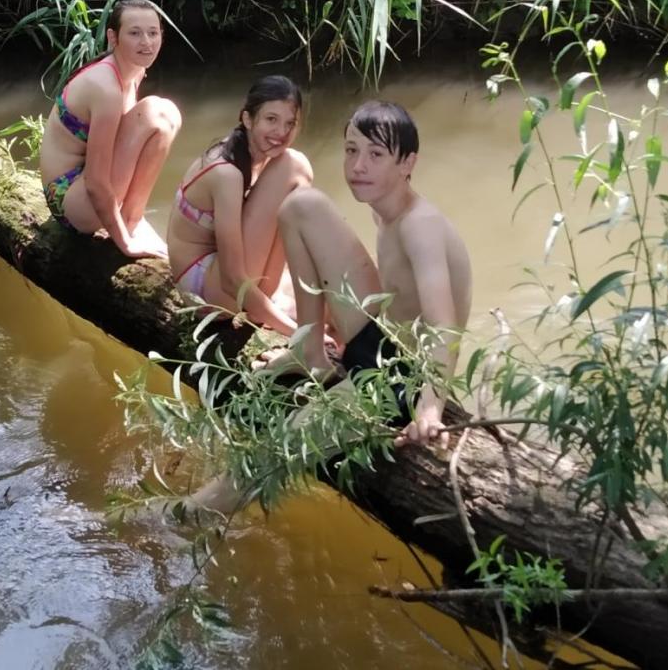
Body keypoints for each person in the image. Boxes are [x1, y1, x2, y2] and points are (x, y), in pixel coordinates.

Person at [190, 100, 472, 514]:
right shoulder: (386, 212)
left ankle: (187, 515)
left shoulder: (420, 225)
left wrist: (430, 409)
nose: (358, 166)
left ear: (408, 163)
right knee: (301, 206)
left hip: (399, 383)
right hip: (380, 340)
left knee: (266, 459)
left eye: (376, 155)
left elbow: (443, 326)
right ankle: (311, 352)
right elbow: (395, 292)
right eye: (351, 150)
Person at [167, 76, 313, 336]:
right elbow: (232, 280)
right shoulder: (227, 173)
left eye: (290, 123)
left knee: (293, 172)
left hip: (218, 279)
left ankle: (267, 302)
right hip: (205, 293)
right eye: (271, 119)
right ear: (247, 119)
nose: (282, 132)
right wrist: (294, 332)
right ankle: (266, 309)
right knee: (295, 165)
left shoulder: (255, 155)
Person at [39, 0, 181, 259]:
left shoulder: (134, 70)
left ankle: (132, 219)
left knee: (167, 114)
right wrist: (125, 244)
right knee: (158, 113)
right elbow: (95, 180)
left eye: (153, 33)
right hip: (68, 200)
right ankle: (127, 229)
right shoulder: (106, 88)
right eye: (135, 33)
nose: (147, 42)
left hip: (83, 188)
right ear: (113, 38)